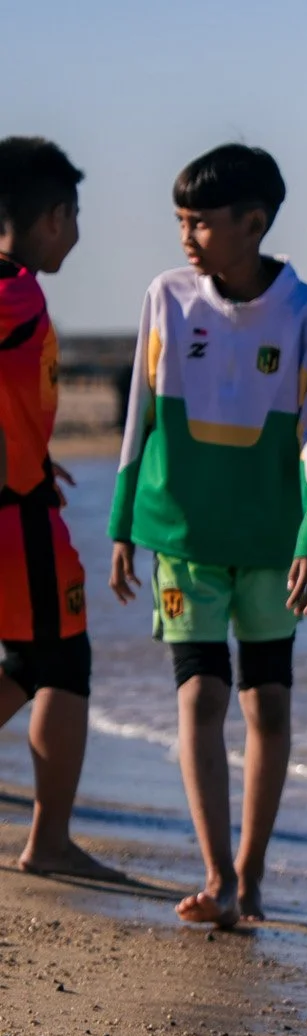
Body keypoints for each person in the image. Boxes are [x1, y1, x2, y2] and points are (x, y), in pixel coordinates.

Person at [108, 145, 307, 928]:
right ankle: (216, 875)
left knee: (267, 705)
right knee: (202, 692)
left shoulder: (306, 315)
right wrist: (121, 523)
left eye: (201, 222)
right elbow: (138, 417)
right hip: (181, 532)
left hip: (274, 543)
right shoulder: (166, 298)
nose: (186, 235)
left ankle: (251, 870)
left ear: (254, 222)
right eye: (180, 220)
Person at [0, 138, 104, 876]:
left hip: (25, 495)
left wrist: (32, 453)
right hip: (17, 520)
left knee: (27, 662)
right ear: (53, 218)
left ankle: (53, 840)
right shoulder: (18, 290)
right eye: (74, 216)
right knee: (62, 662)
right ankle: (52, 844)